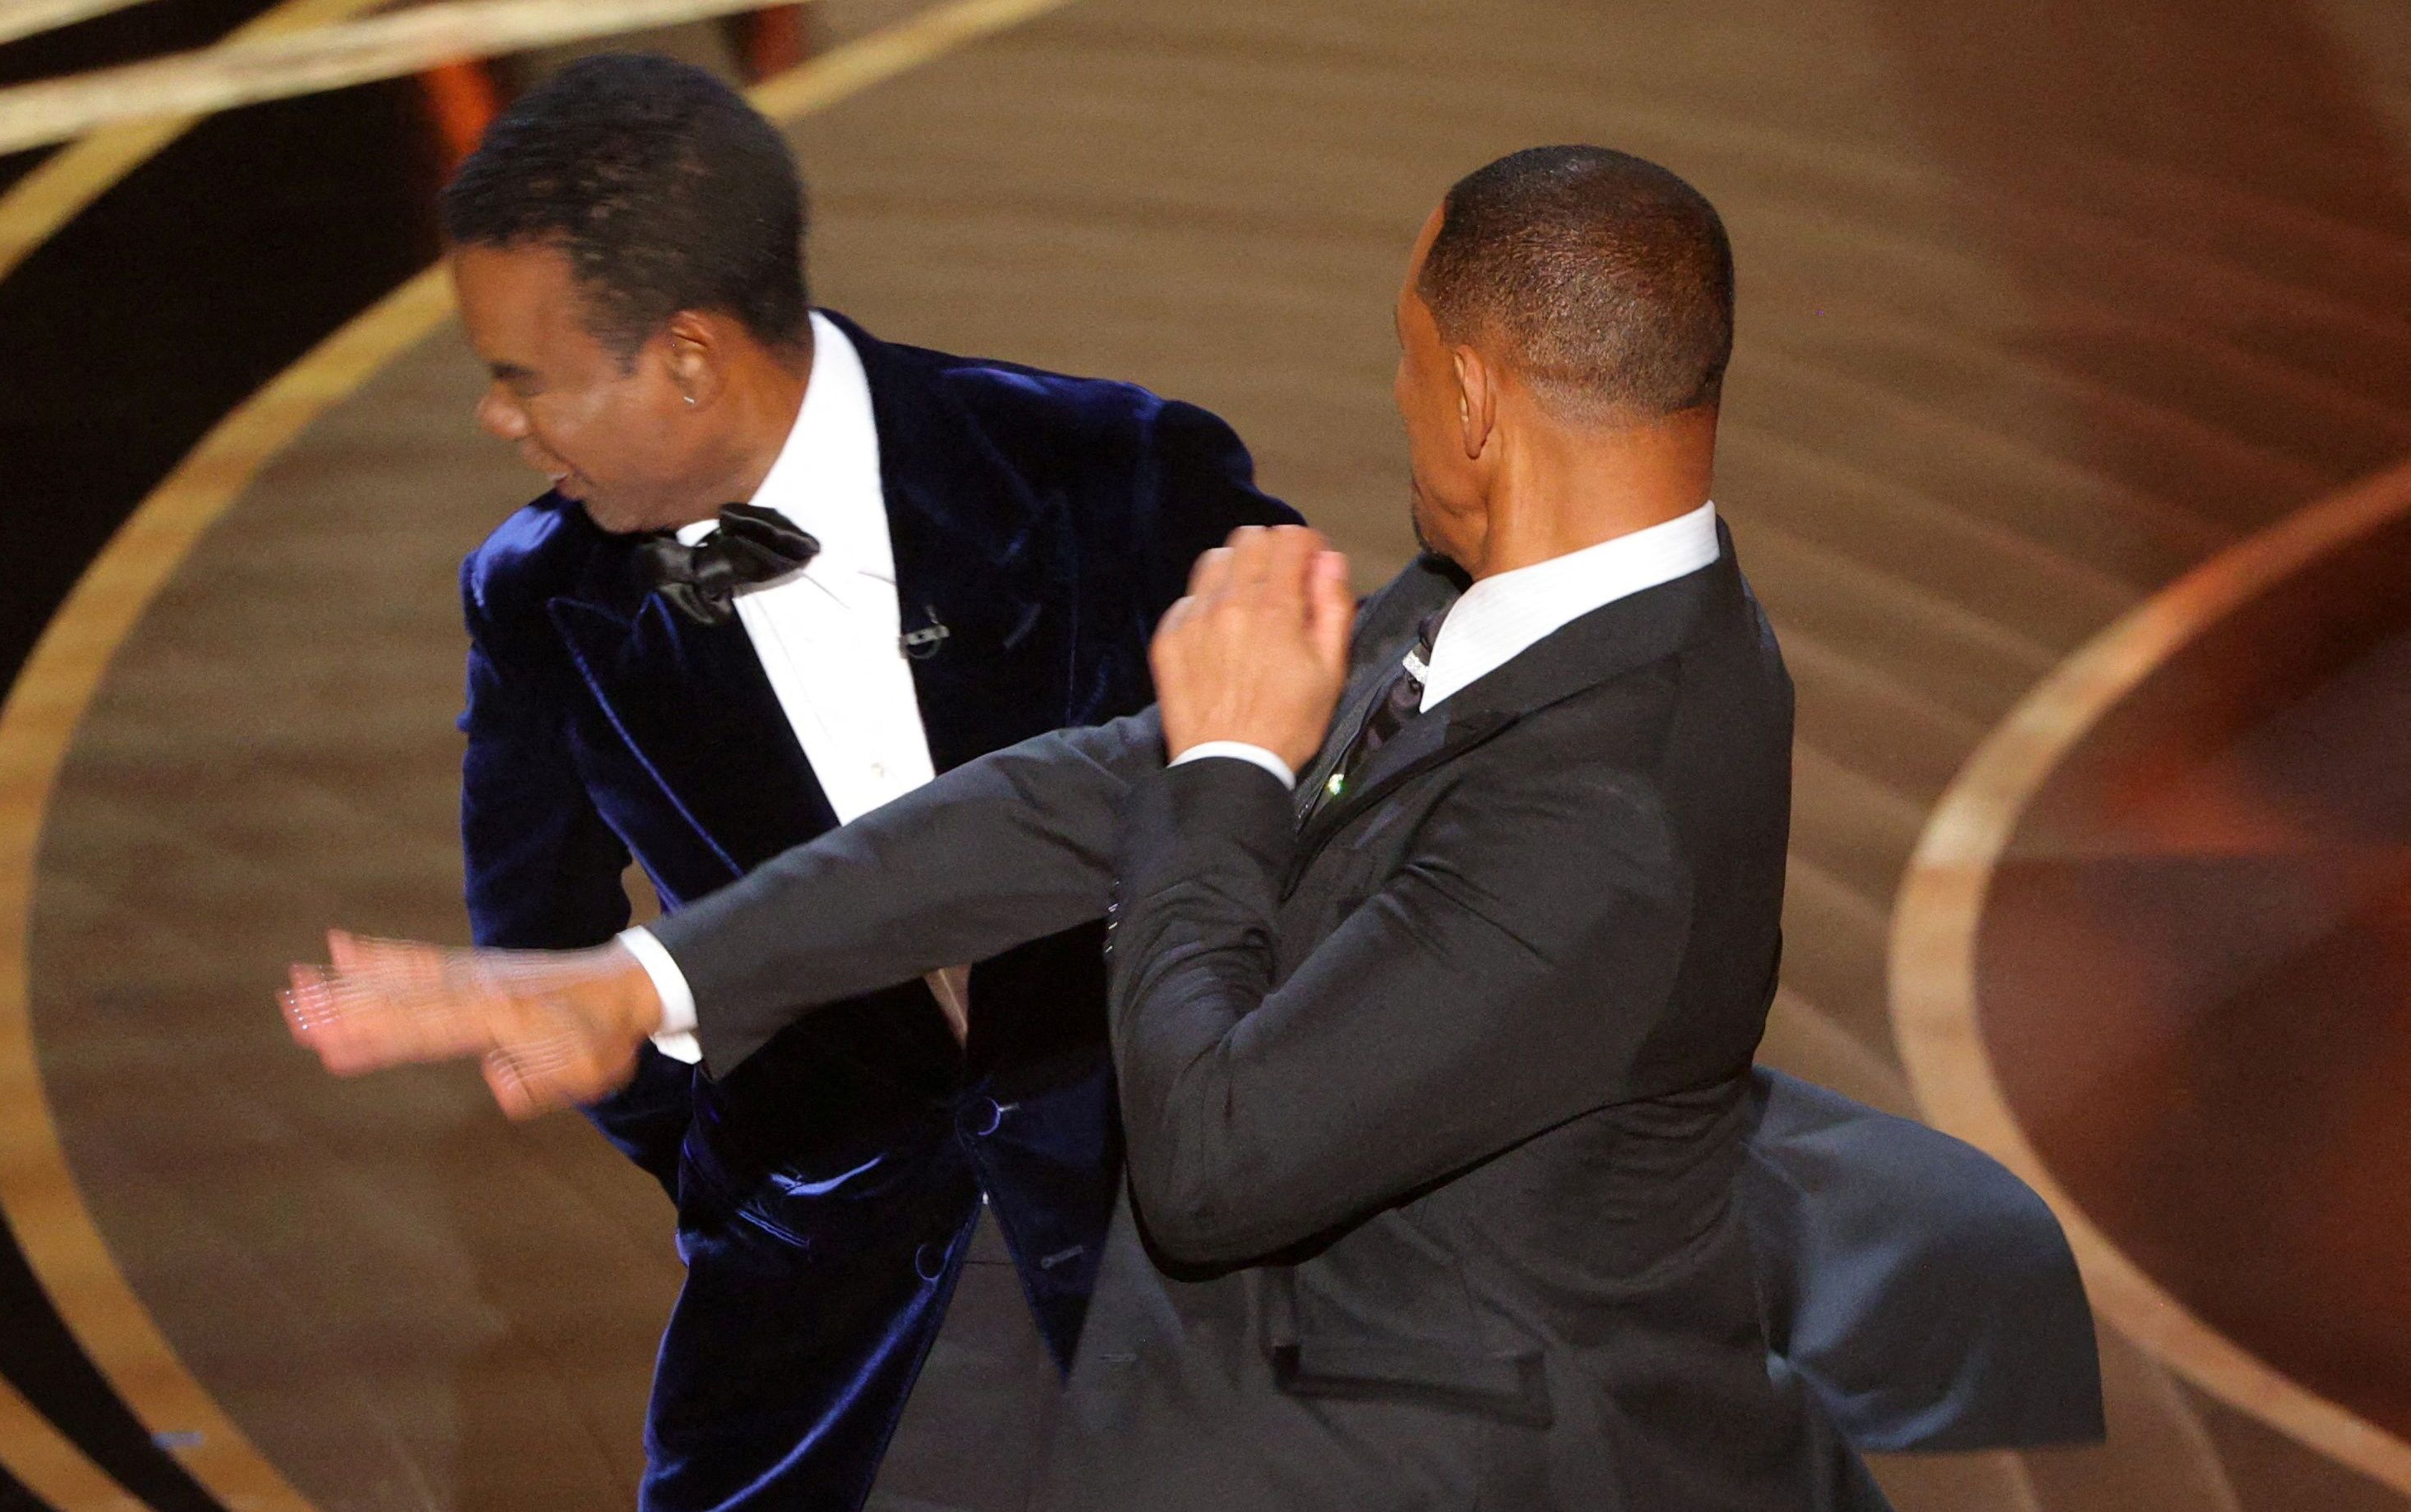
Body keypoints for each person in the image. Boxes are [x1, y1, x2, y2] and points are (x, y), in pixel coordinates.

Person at [300, 146, 2105, 1503]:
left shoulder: (1616, 798)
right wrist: (653, 975)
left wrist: (1234, 772)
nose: (1396, 404)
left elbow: (1222, 1150)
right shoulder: (1509, 595)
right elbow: (1088, 790)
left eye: (1409, 368)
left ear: (1475, 391)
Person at [425, 52, 1299, 1512]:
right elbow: (543, 940)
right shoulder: (536, 598)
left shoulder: (1117, 472)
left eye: (521, 377)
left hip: (1196, 1286)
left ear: (688, 357)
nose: (497, 419)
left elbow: (1332, 813)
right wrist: (744, 1166)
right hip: (824, 1329)